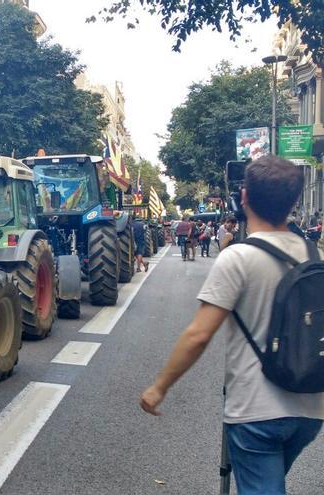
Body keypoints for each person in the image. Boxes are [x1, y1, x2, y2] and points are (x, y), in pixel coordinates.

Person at [140, 156, 324, 495]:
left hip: (256, 410)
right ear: (293, 201)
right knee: (266, 482)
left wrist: (159, 386)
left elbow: (199, 334)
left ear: (244, 198)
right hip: (310, 407)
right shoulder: (312, 253)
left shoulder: (239, 257)